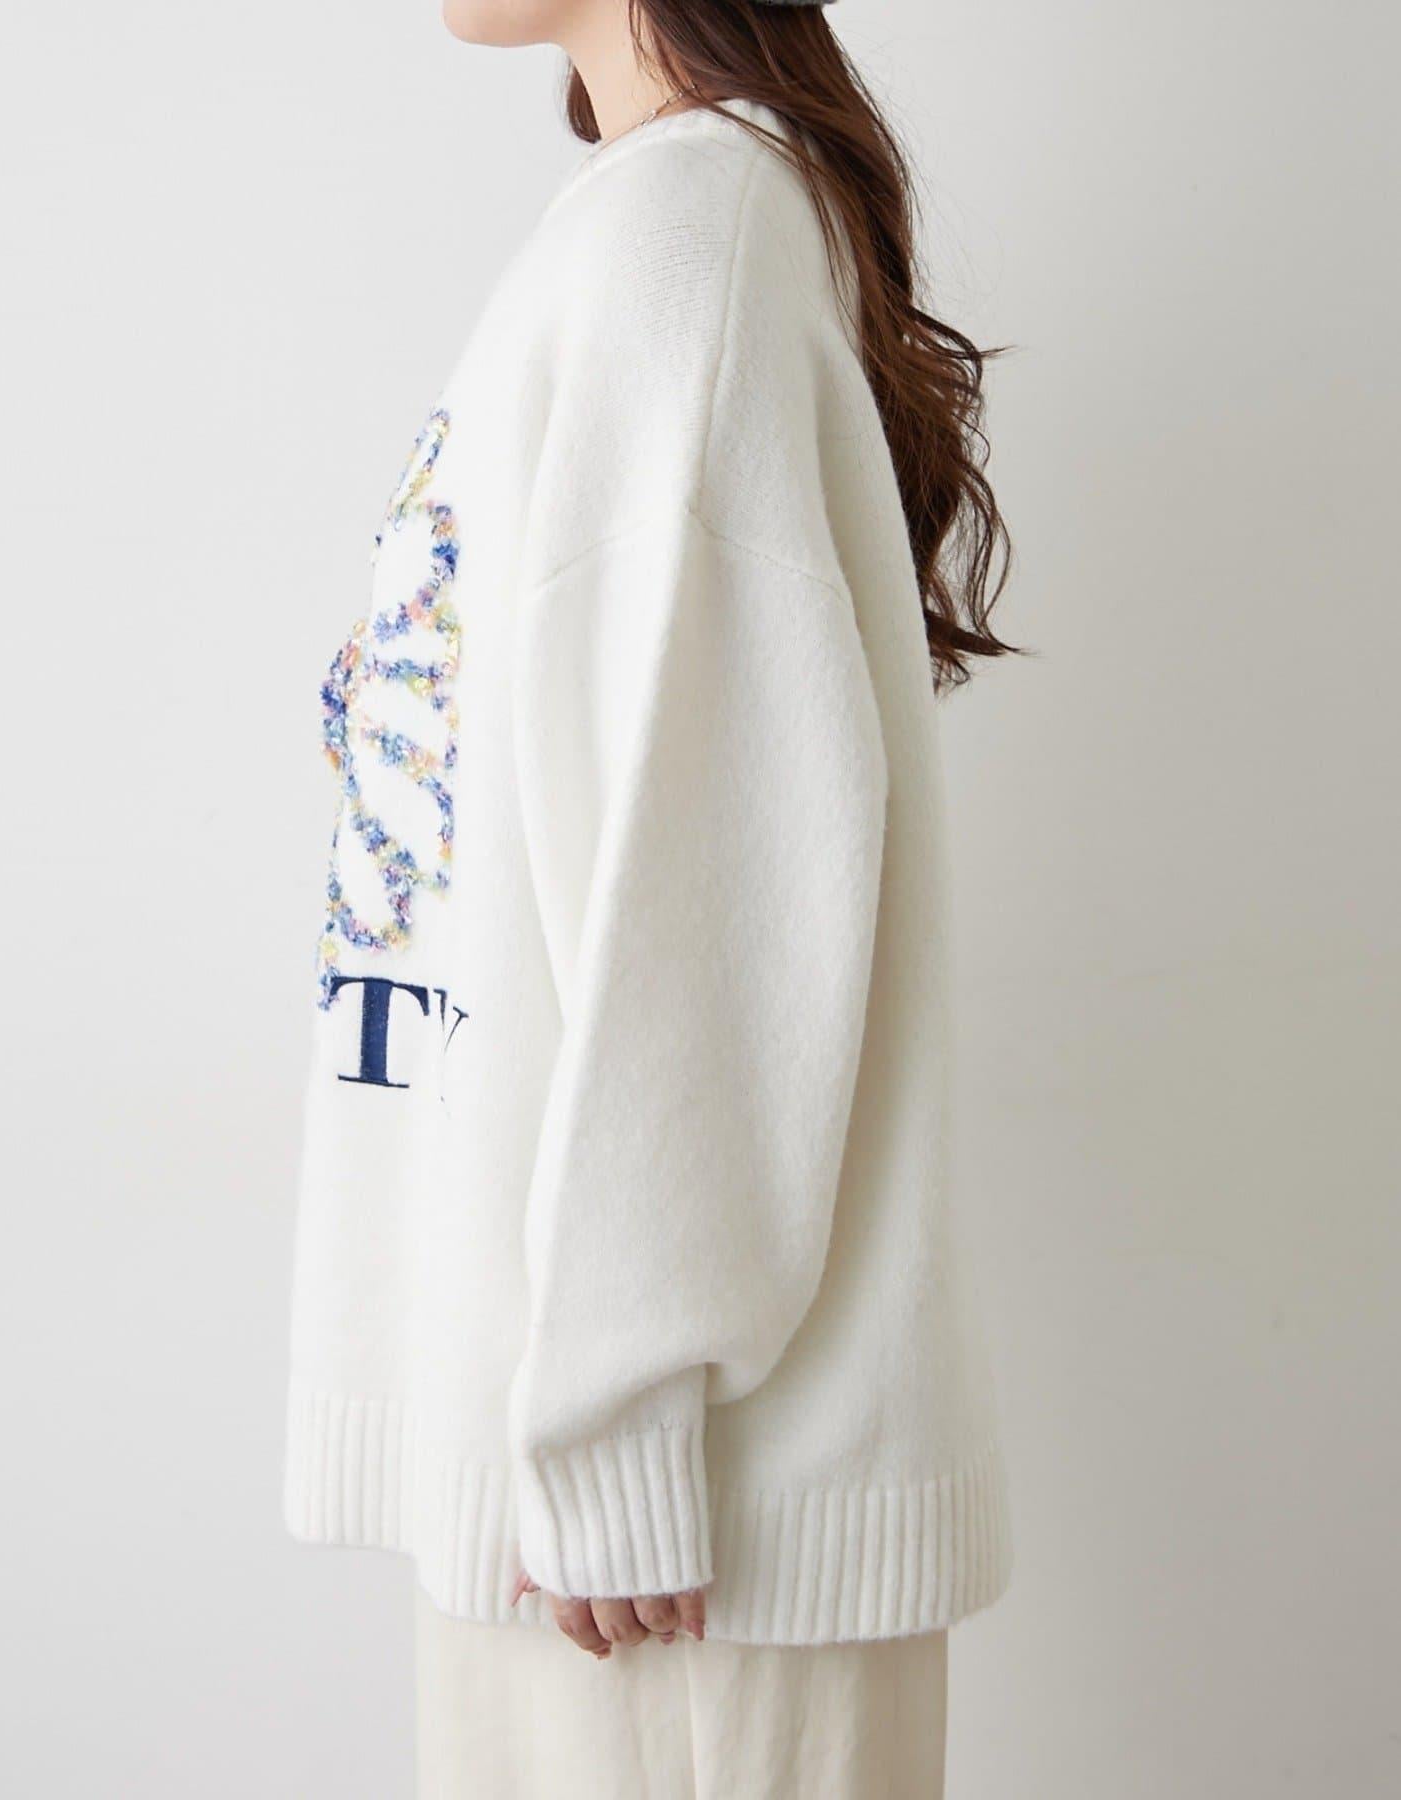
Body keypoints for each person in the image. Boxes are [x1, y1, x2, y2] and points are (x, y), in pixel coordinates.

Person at [284, 2, 1018, 1793]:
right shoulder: (649, 231)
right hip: (600, 1502)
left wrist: (616, 1414)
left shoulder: (683, 243)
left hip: (668, 1539)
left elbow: (715, 867)